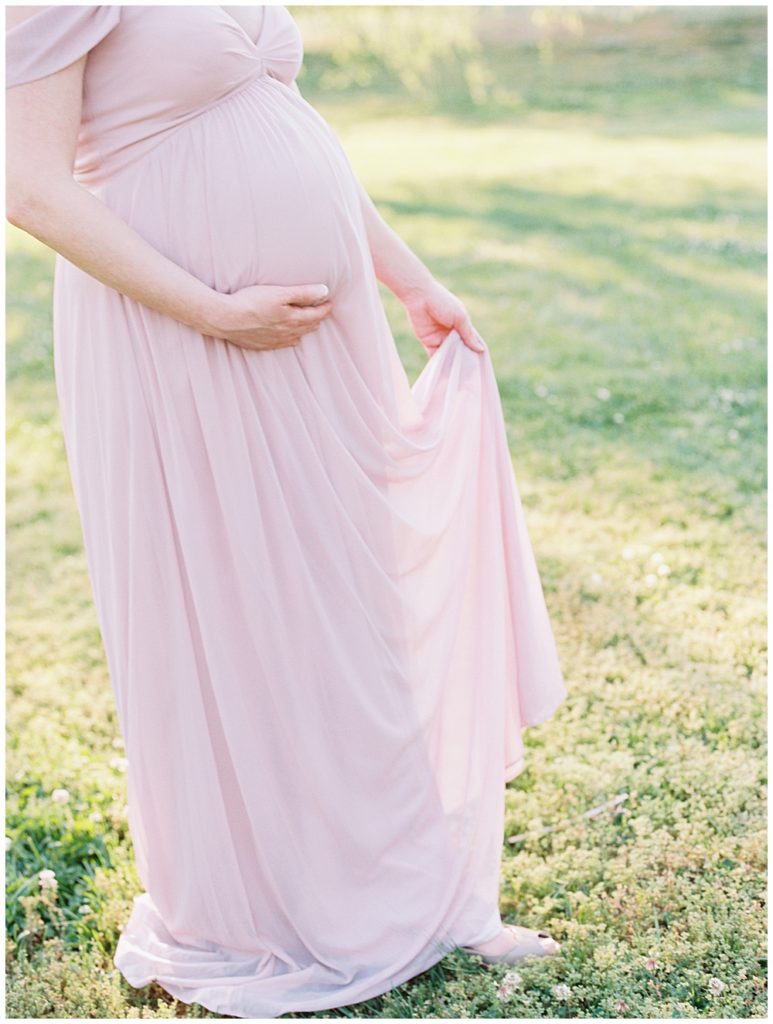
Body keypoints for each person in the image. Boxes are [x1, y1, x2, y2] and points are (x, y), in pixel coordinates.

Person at [6, 5, 568, 1018]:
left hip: (316, 328)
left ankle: (424, 901)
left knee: (359, 601)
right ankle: (260, 914)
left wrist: (408, 278)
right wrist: (212, 310)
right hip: (179, 331)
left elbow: (281, 116)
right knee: (240, 610)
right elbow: (31, 188)